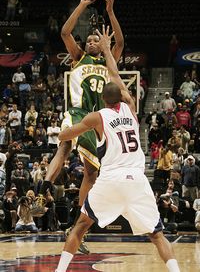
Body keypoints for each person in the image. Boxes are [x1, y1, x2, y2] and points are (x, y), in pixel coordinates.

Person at [55, 26, 180, 272]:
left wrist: (59, 132)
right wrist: (107, 49)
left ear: (103, 99)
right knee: (156, 235)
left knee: (80, 226)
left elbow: (67, 134)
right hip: (137, 180)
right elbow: (113, 72)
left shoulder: (97, 116)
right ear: (123, 96)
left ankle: (60, 271)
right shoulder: (131, 107)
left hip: (110, 180)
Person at [36, 0, 124, 251]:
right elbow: (64, 33)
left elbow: (119, 43)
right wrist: (83, 4)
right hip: (76, 113)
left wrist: (110, 12)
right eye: (87, 40)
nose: (89, 42)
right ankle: (42, 191)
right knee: (64, 146)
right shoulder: (78, 58)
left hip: (97, 123)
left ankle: (78, 230)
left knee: (92, 172)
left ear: (101, 44)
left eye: (95, 40)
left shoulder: (108, 62)